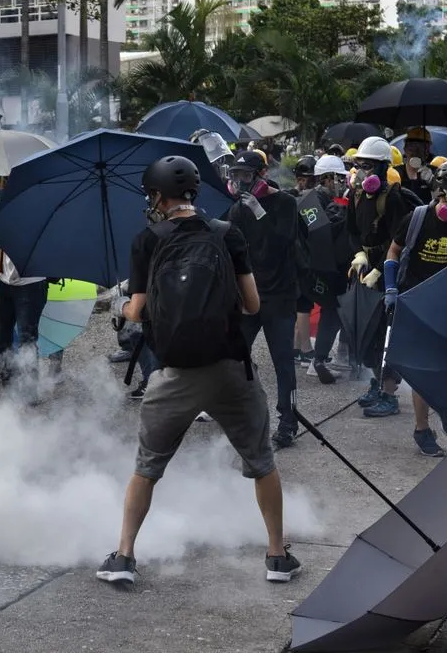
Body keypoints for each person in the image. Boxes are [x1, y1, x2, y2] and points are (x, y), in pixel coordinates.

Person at [97, 155, 300, 586]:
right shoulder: (228, 233)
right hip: (230, 367)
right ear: (192, 193)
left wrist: (118, 304)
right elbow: (252, 305)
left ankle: (124, 557)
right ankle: (277, 557)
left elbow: (137, 311)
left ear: (156, 196)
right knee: (262, 463)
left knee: (147, 466)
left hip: (175, 374)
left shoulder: (147, 240)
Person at [371, 161, 447, 454]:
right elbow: (394, 249)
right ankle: (421, 429)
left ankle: (442, 404)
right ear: (441, 194)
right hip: (418, 303)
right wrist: (391, 286)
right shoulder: (417, 219)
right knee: (425, 369)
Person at [221, 150, 307, 448]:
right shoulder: (237, 209)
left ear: (261, 176)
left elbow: (283, 241)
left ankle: (288, 420)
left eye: (245, 176)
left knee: (283, 361)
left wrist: (259, 210)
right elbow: (233, 249)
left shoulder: (284, 202)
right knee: (234, 356)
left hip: (280, 295)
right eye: (236, 176)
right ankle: (244, 413)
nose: (240, 182)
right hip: (249, 296)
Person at [346, 136, 415, 410]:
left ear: (382, 168)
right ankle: (376, 381)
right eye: (359, 164)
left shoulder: (393, 198)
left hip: (387, 271)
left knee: (388, 330)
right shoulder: (356, 194)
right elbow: (350, 230)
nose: (362, 170)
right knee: (370, 330)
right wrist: (358, 254)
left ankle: (389, 393)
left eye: (369, 165)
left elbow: (400, 240)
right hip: (365, 267)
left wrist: (379, 269)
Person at [0, 176, 49, 392]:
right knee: (15, 336)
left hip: (29, 280)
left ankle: (23, 385)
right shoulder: (40, 196)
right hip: (11, 280)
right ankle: (14, 383)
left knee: (17, 336)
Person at [300, 155, 353, 384]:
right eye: (338, 178)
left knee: (334, 315)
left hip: (330, 266)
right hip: (323, 267)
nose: (341, 182)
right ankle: (319, 360)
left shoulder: (316, 199)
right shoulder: (311, 201)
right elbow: (323, 234)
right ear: (327, 178)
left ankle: (324, 358)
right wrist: (340, 206)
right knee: (331, 314)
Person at [398, 128, 435, 203]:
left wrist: (433, 184)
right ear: (405, 149)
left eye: (421, 148)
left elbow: (440, 202)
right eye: (412, 147)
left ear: (427, 152)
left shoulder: (435, 173)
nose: (416, 152)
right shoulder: (396, 173)